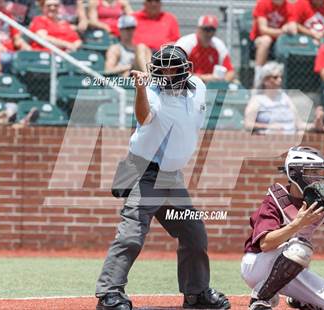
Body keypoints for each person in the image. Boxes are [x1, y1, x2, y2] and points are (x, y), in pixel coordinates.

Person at [94, 45, 230, 310]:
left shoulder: (198, 86)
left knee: (194, 235)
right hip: (145, 172)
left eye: (172, 68)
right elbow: (144, 118)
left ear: (184, 69)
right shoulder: (152, 92)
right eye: (161, 68)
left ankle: (196, 293)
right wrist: (141, 89)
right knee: (131, 235)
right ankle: (109, 295)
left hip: (172, 178)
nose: (166, 74)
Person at [241, 146, 324, 310]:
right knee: (299, 247)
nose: (318, 178)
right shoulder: (276, 199)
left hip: (291, 270)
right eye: (312, 172)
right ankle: (260, 298)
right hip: (256, 265)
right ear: (294, 174)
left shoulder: (319, 201)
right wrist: (297, 224)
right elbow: (265, 244)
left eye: (319, 172)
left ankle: (297, 299)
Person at [244, 62, 324, 134]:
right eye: (275, 77)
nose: (280, 80)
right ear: (265, 80)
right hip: (269, 143)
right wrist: (269, 127)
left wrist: (316, 124)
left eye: (281, 77)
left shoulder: (284, 98)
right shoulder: (257, 100)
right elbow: (248, 124)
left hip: (290, 141)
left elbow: (299, 124)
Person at [176, 15, 235, 83]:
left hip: (211, 86)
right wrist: (203, 78)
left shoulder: (218, 45)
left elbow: (230, 71)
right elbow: (175, 70)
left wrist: (222, 82)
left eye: (212, 30)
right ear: (198, 29)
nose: (209, 33)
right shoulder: (186, 44)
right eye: (206, 29)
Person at [250, 0, 297, 85]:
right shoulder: (263, 3)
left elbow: (294, 29)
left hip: (279, 42)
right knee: (266, 40)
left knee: (288, 42)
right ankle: (258, 78)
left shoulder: (290, 7)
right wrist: (281, 31)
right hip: (259, 40)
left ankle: (287, 83)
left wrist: (288, 27)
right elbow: (263, 29)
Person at [0, 0, 31, 73]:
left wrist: (28, 49)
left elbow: (17, 38)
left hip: (10, 52)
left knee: (30, 58)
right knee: (6, 58)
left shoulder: (6, 14)